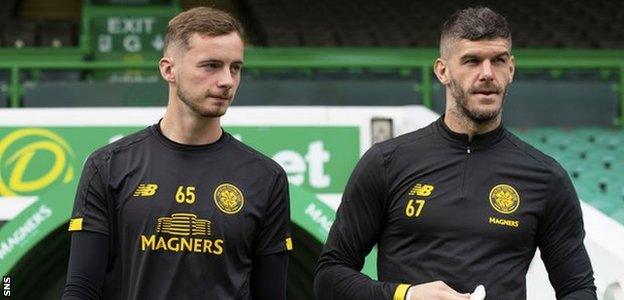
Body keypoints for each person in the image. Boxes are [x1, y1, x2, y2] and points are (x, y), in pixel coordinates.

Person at [314, 7, 596, 300]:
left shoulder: (545, 177)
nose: (487, 74)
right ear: (442, 71)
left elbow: (578, 289)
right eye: (472, 61)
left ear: (511, 69)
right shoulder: (387, 162)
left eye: (498, 61)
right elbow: (330, 276)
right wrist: (406, 296)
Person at [62, 7, 292, 300]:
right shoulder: (108, 166)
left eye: (235, 67)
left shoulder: (266, 177)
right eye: (211, 65)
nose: (227, 81)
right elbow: (81, 290)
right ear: (169, 69)